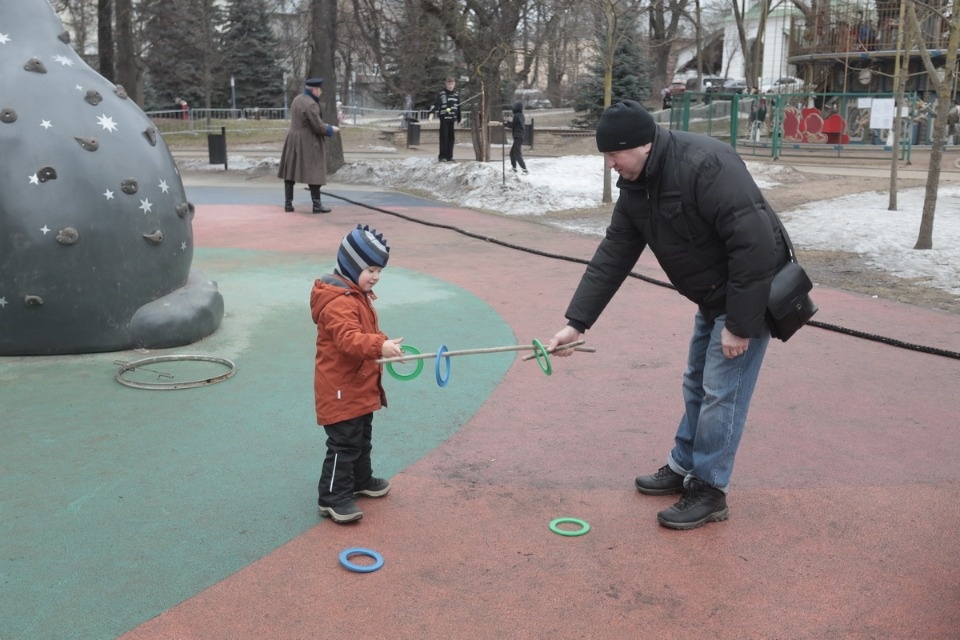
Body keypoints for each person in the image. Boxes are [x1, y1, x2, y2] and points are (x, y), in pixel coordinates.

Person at [547, 100, 791, 531]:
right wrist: (576, 323)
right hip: (712, 294)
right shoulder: (637, 185)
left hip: (748, 293)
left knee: (722, 392)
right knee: (696, 381)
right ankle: (684, 465)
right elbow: (613, 255)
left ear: (642, 145)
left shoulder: (706, 165)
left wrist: (740, 323)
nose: (609, 165)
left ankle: (710, 489)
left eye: (613, 155)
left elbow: (754, 246)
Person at [310, 224, 404, 523]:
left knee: (362, 437)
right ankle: (333, 497)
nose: (376, 277)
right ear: (351, 265)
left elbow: (366, 332)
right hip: (340, 388)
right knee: (344, 444)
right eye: (370, 270)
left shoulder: (356, 293)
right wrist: (379, 345)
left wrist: (384, 344)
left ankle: (360, 480)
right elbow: (349, 340)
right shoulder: (338, 301)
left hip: (359, 384)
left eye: (379, 271)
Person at [277, 77, 340, 214]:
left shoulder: (297, 99)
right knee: (315, 171)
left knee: (290, 172)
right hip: (308, 142)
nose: (321, 92)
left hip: (293, 139)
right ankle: (317, 205)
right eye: (320, 90)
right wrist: (331, 129)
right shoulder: (311, 104)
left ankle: (288, 204)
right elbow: (318, 127)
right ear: (315, 90)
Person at [429, 76, 461, 161]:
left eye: (452, 84)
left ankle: (449, 156)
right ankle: (442, 156)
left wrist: (459, 119)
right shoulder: (442, 94)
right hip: (444, 119)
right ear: (446, 84)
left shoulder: (456, 94)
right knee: (444, 137)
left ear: (454, 84)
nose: (451, 86)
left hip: (452, 119)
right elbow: (436, 104)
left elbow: (458, 107)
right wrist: (431, 113)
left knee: (451, 138)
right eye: (449, 84)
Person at [504, 101, 528, 174]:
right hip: (519, 136)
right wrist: (507, 123)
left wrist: (505, 124)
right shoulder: (520, 115)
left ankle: (525, 170)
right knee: (512, 153)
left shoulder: (517, 116)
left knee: (517, 153)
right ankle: (514, 168)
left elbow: (512, 125)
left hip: (518, 136)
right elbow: (515, 124)